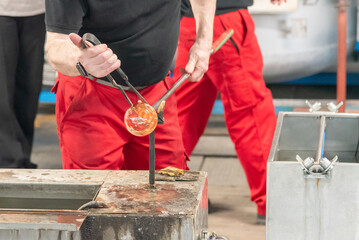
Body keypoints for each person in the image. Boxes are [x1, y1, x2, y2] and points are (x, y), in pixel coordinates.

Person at [44, 0, 216, 170]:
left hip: (157, 93)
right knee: (97, 191)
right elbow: (56, 45)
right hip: (92, 94)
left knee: (169, 185)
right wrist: (79, 60)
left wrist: (203, 41)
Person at [174, 0, 286, 224]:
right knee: (250, 112)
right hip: (224, 23)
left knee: (182, 113)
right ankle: (273, 200)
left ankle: (170, 193)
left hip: (187, 22)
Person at [0, 1, 46, 168]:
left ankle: (23, 156)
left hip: (37, 10)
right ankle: (8, 159)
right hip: (2, 11)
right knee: (2, 90)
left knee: (29, 88)